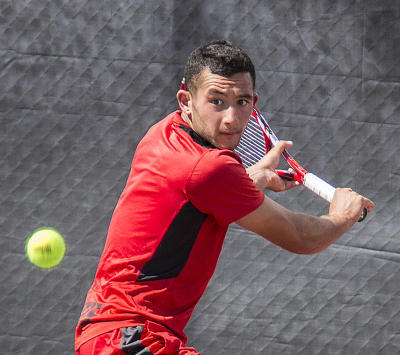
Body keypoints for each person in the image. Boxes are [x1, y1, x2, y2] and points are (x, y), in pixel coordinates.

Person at [75, 40, 374, 354]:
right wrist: (343, 214)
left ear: (254, 102)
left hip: (109, 332)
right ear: (186, 101)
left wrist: (246, 181)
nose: (231, 117)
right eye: (216, 101)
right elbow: (300, 237)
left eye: (242, 102)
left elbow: (188, 199)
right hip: (130, 338)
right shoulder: (211, 169)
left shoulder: (162, 132)